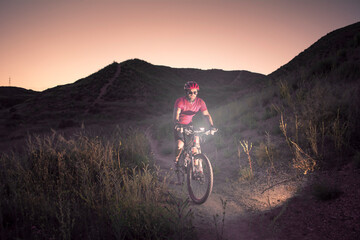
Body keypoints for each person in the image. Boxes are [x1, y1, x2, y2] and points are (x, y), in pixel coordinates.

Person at [173, 81, 216, 169]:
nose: (192, 94)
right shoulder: (180, 101)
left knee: (196, 144)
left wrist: (211, 126)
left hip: (189, 125)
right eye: (190, 92)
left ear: (197, 92)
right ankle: (176, 159)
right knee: (179, 145)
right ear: (186, 92)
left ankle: (196, 168)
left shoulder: (200, 102)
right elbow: (176, 114)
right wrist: (177, 124)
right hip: (179, 125)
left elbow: (206, 115)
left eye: (195, 92)